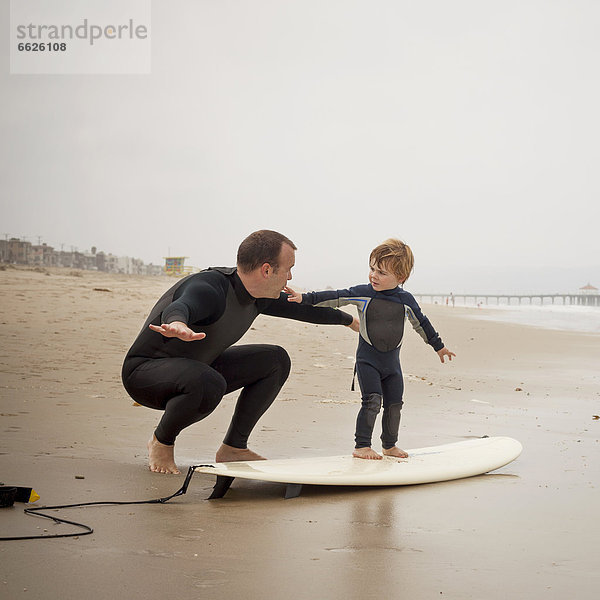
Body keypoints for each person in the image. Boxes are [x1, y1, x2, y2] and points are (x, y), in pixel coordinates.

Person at [122, 230, 358, 474]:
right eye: (288, 268)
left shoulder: (258, 295)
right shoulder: (211, 288)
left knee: (275, 360)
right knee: (208, 381)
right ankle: (162, 442)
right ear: (267, 270)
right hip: (145, 375)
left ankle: (234, 448)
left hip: (199, 368)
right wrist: (178, 323)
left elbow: (303, 310)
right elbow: (183, 304)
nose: (290, 276)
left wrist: (350, 321)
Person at [287, 238, 455, 460]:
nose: (374, 275)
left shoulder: (406, 300)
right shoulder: (364, 293)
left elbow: (421, 323)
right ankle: (362, 446)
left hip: (392, 365)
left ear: (401, 277)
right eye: (372, 269)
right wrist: (305, 298)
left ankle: (389, 445)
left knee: (395, 404)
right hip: (368, 361)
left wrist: (439, 346)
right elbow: (336, 297)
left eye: (382, 272)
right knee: (372, 401)